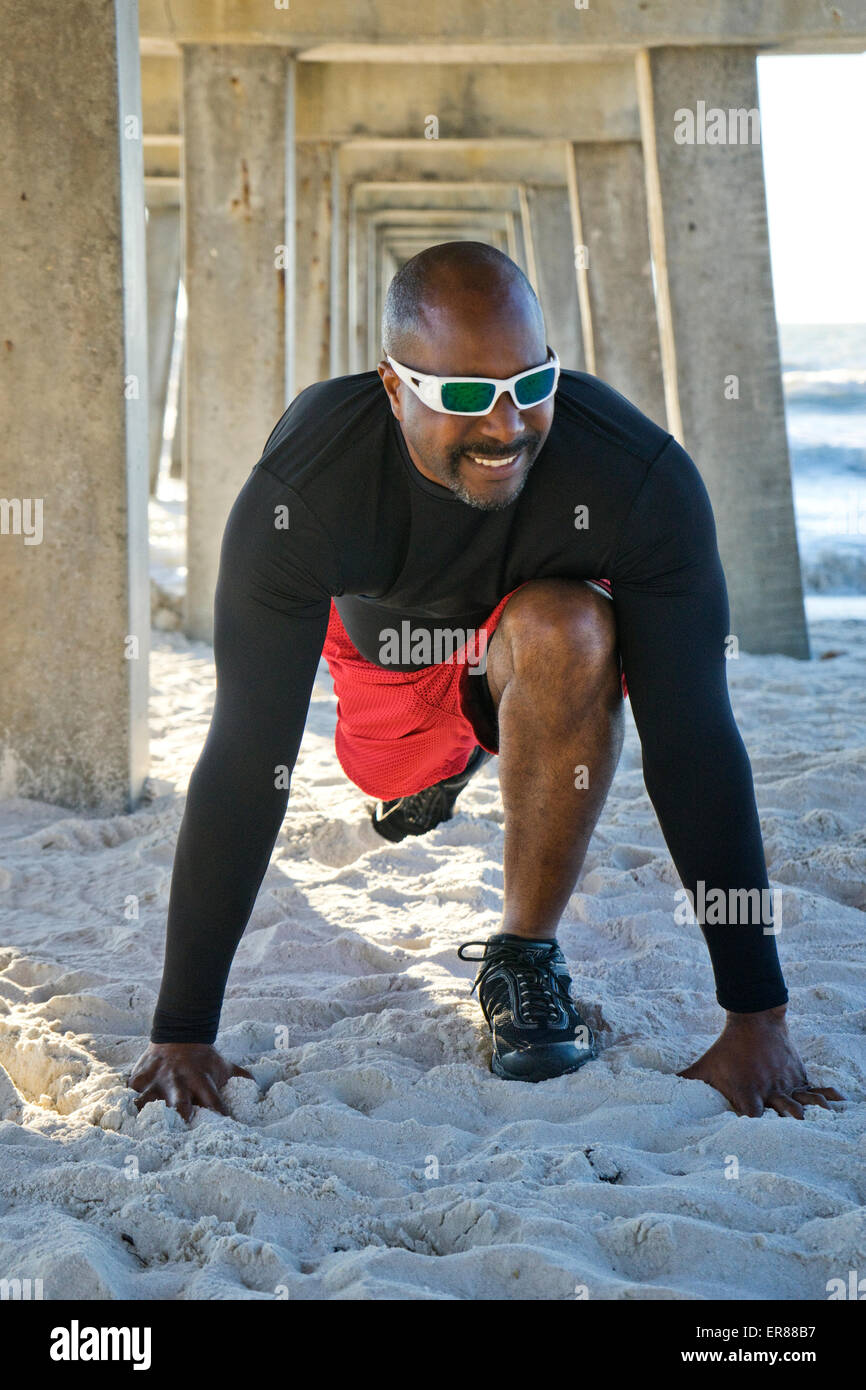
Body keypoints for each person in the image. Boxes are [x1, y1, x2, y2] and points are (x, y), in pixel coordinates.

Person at [130, 241, 842, 1120]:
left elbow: (694, 738)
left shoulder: (636, 477)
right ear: (395, 389)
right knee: (401, 778)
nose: (504, 426)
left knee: (573, 626)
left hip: (531, 659)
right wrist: (184, 1030)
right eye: (463, 397)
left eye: (529, 386)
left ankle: (523, 955)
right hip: (398, 677)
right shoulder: (305, 491)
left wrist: (758, 1017)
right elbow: (245, 757)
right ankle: (442, 772)